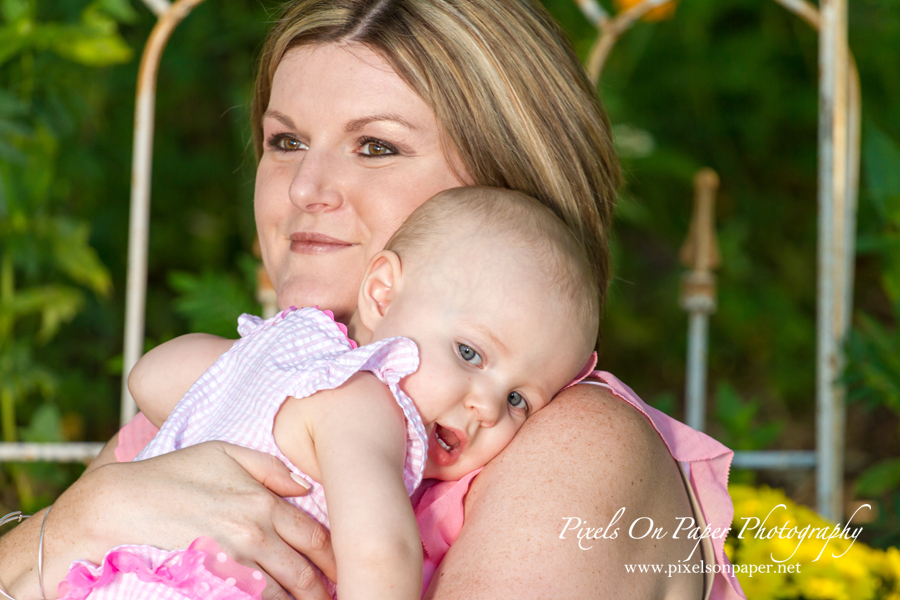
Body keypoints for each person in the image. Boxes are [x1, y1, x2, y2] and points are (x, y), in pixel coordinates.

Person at [0, 1, 745, 599]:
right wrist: (74, 524)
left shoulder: (569, 444)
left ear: (502, 178)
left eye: (376, 147)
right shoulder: (258, 386)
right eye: (286, 141)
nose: (303, 190)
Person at [56, 187, 600, 600]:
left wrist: (248, 372)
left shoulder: (284, 351)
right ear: (382, 295)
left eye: (518, 401)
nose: (485, 405)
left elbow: (149, 377)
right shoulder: (365, 405)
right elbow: (380, 554)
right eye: (469, 354)